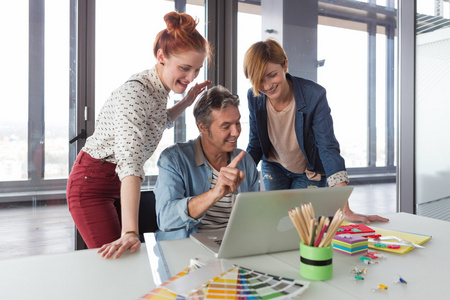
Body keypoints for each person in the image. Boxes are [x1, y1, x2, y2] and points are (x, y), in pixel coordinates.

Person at [66, 11, 211, 259]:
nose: (190, 78)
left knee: (131, 260)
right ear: (161, 56)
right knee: (118, 261)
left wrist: (186, 102)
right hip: (93, 185)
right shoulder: (135, 94)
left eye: (197, 70)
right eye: (185, 69)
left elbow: (159, 120)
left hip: (117, 183)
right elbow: (130, 165)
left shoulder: (159, 88)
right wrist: (130, 231)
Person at [243, 39, 388, 224]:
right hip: (274, 166)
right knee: (277, 223)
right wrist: (239, 173)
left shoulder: (314, 95)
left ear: (285, 65)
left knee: (303, 226)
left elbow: (327, 147)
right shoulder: (254, 96)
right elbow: (255, 144)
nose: (266, 86)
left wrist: (345, 208)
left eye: (272, 75)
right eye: (258, 80)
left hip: (308, 172)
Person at [154, 85, 259, 240]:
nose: (236, 132)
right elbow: (166, 218)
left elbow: (254, 218)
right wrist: (215, 193)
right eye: (226, 126)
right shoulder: (173, 159)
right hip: (188, 249)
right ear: (203, 127)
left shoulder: (246, 162)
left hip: (234, 245)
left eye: (237, 123)